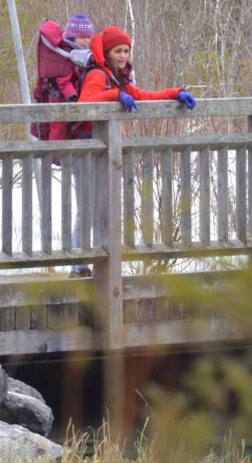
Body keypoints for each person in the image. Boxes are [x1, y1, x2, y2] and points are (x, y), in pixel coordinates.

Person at [68, 25, 196, 276]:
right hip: (84, 147)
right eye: (118, 51)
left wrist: (175, 93)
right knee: (87, 208)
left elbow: (142, 95)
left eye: (126, 51)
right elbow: (84, 103)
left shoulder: (117, 77)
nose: (123, 55)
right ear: (107, 52)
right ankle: (79, 266)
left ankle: (92, 265)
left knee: (99, 206)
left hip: (100, 148)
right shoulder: (98, 75)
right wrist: (116, 95)